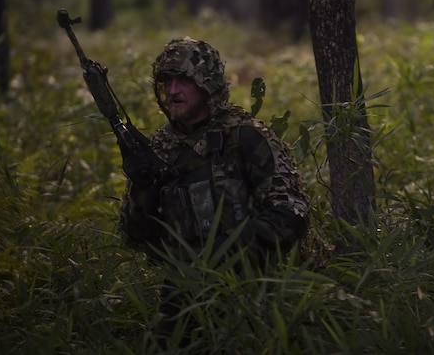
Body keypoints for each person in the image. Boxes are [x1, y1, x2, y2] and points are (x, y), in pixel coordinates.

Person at [117, 37, 309, 346]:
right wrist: (142, 188)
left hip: (249, 291)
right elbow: (134, 237)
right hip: (180, 296)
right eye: (166, 81)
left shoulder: (243, 136)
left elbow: (292, 210)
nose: (173, 91)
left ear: (207, 84)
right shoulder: (159, 148)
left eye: (184, 80)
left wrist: (235, 248)